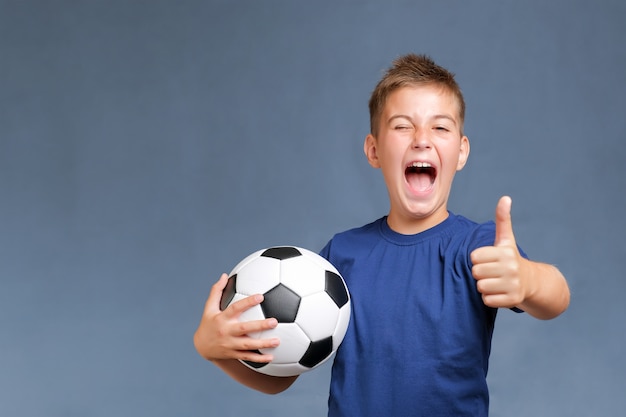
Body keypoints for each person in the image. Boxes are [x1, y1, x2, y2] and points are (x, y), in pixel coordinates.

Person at [193, 53, 570, 416]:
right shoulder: (338, 258)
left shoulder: (478, 247)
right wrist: (214, 350)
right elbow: (282, 378)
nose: (421, 138)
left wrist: (529, 279)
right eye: (403, 125)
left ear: (460, 152)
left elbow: (556, 297)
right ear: (374, 150)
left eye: (440, 127)